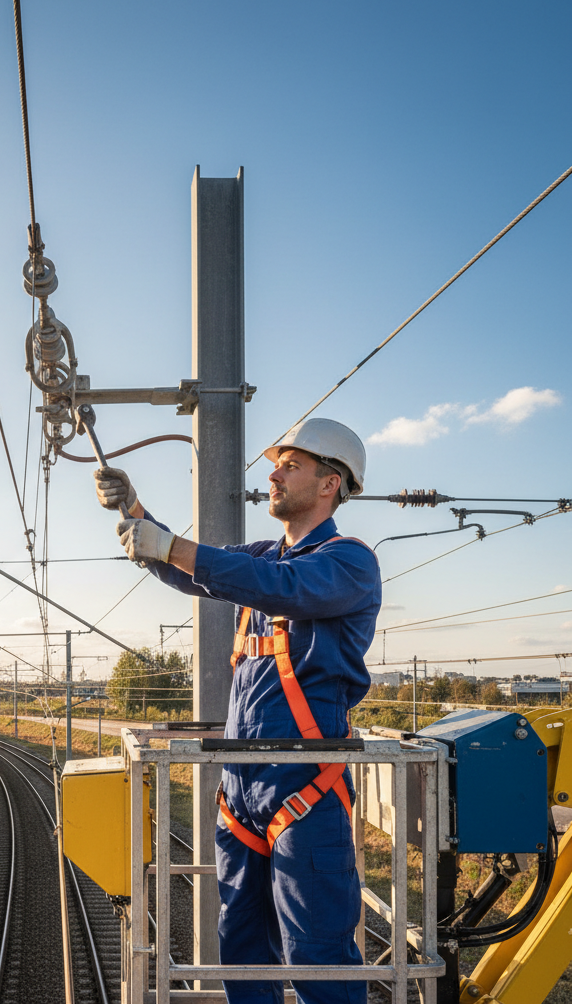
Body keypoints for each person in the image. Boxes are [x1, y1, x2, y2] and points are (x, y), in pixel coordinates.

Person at [93, 418, 380, 1004]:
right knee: (242, 945)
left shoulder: (348, 562)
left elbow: (279, 587)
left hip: (305, 785)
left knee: (319, 955)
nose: (274, 475)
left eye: (291, 466)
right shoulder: (263, 557)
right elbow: (198, 572)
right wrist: (136, 514)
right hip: (242, 788)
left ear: (330, 484)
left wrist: (171, 546)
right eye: (277, 465)